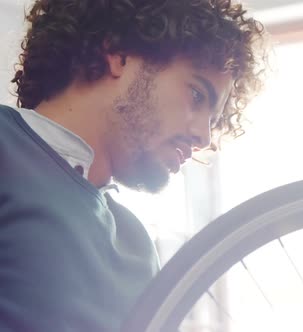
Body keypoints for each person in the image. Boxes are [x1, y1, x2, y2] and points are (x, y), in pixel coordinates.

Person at [0, 0, 266, 330]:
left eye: (213, 120)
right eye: (197, 95)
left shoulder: (136, 247)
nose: (203, 137)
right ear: (119, 56)